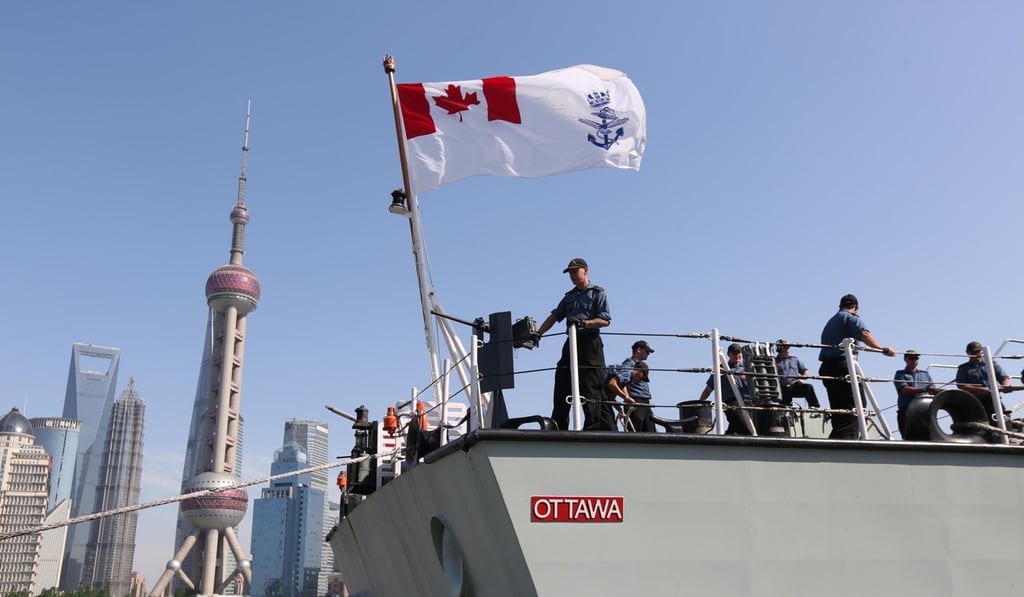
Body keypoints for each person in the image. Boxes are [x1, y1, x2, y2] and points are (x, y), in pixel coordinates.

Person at [535, 258, 612, 431]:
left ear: (585, 271)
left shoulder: (597, 293)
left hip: (590, 342)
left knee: (591, 385)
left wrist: (584, 323)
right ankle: (558, 427)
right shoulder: (569, 297)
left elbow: (605, 320)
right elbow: (555, 316)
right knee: (562, 382)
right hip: (571, 341)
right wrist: (538, 334)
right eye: (570, 272)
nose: (572, 275)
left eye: (575, 271)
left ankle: (592, 429)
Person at [818, 294, 896, 439]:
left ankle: (837, 440)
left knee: (839, 409)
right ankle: (847, 442)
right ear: (856, 307)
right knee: (855, 405)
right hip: (843, 366)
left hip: (827, 367)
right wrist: (881, 349)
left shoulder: (831, 322)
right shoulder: (850, 318)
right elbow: (864, 334)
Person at [698, 343, 753, 434]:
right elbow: (708, 389)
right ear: (728, 354)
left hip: (748, 403)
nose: (737, 355)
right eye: (734, 353)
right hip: (731, 403)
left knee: (738, 428)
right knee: (746, 428)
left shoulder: (747, 369)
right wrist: (700, 404)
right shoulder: (721, 369)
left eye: (738, 353)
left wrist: (748, 380)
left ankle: (727, 436)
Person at [955, 340, 1010, 419]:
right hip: (975, 400)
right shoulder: (963, 368)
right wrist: (981, 390)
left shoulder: (991, 364)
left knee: (1002, 416)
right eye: (973, 352)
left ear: (982, 352)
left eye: (978, 352)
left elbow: (1004, 378)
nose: (976, 354)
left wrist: (1006, 386)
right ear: (967, 353)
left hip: (993, 399)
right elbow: (961, 386)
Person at [608, 341, 655, 431]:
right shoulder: (629, 364)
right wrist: (626, 397)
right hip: (635, 401)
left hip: (644, 402)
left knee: (650, 430)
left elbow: (623, 383)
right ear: (639, 350)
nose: (648, 354)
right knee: (635, 431)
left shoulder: (641, 366)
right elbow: (620, 382)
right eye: (647, 351)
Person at [893, 349, 940, 438]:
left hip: (925, 411)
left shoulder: (925, 374)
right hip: (907, 410)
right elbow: (904, 389)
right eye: (911, 358)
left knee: (928, 437)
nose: (914, 360)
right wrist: (924, 389)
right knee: (908, 438)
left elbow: (933, 389)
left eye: (916, 358)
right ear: (905, 359)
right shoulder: (900, 374)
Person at [775, 340, 820, 408]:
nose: (788, 349)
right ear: (780, 349)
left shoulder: (794, 359)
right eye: (786, 347)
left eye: (788, 347)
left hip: (794, 385)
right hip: (782, 388)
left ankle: (814, 407)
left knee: (808, 388)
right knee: (785, 407)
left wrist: (802, 379)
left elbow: (805, 370)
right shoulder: (774, 361)